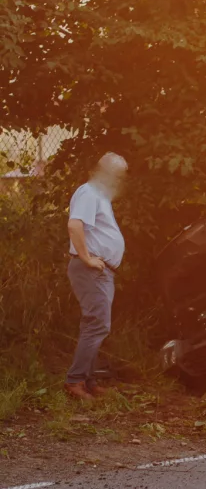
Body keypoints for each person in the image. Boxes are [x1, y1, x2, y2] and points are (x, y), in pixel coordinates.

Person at [64, 152, 128, 400]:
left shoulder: (100, 197)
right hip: (91, 269)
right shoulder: (88, 192)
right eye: (116, 173)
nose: (118, 179)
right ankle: (75, 381)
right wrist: (87, 258)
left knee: (94, 325)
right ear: (104, 171)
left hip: (101, 271)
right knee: (98, 324)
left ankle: (88, 381)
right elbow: (74, 225)